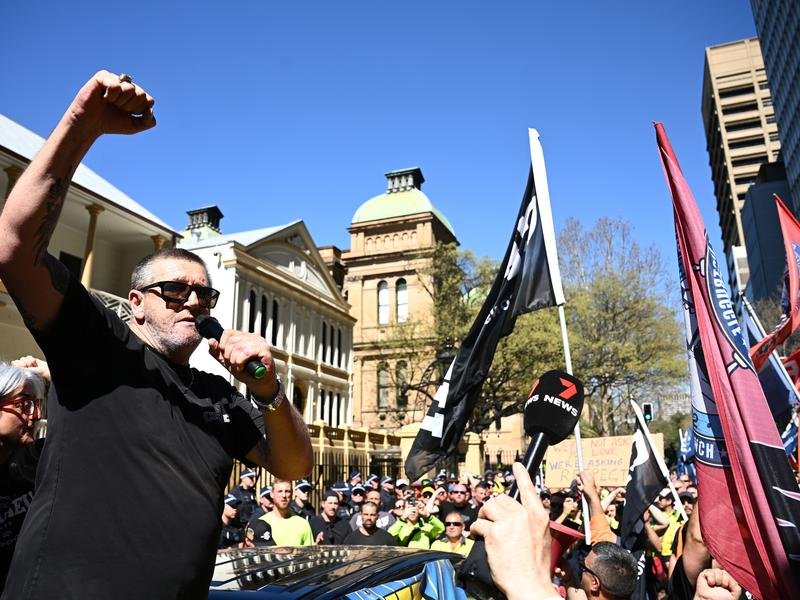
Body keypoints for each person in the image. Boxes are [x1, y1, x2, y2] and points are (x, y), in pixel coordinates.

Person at [0, 71, 313, 598]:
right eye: (175, 290)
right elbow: (12, 244)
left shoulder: (218, 398)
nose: (193, 300)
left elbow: (293, 464)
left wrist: (267, 390)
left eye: (204, 295)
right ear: (137, 303)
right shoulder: (97, 346)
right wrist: (82, 126)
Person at [0, 361, 47, 592]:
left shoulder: (36, 460)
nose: (36, 416)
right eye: (24, 405)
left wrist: (53, 373)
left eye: (38, 405)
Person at [257, 479, 314, 546]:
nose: (284, 495)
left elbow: (310, 554)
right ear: (272, 494)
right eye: (280, 491)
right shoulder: (262, 522)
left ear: (292, 494)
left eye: (287, 491)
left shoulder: (303, 524)